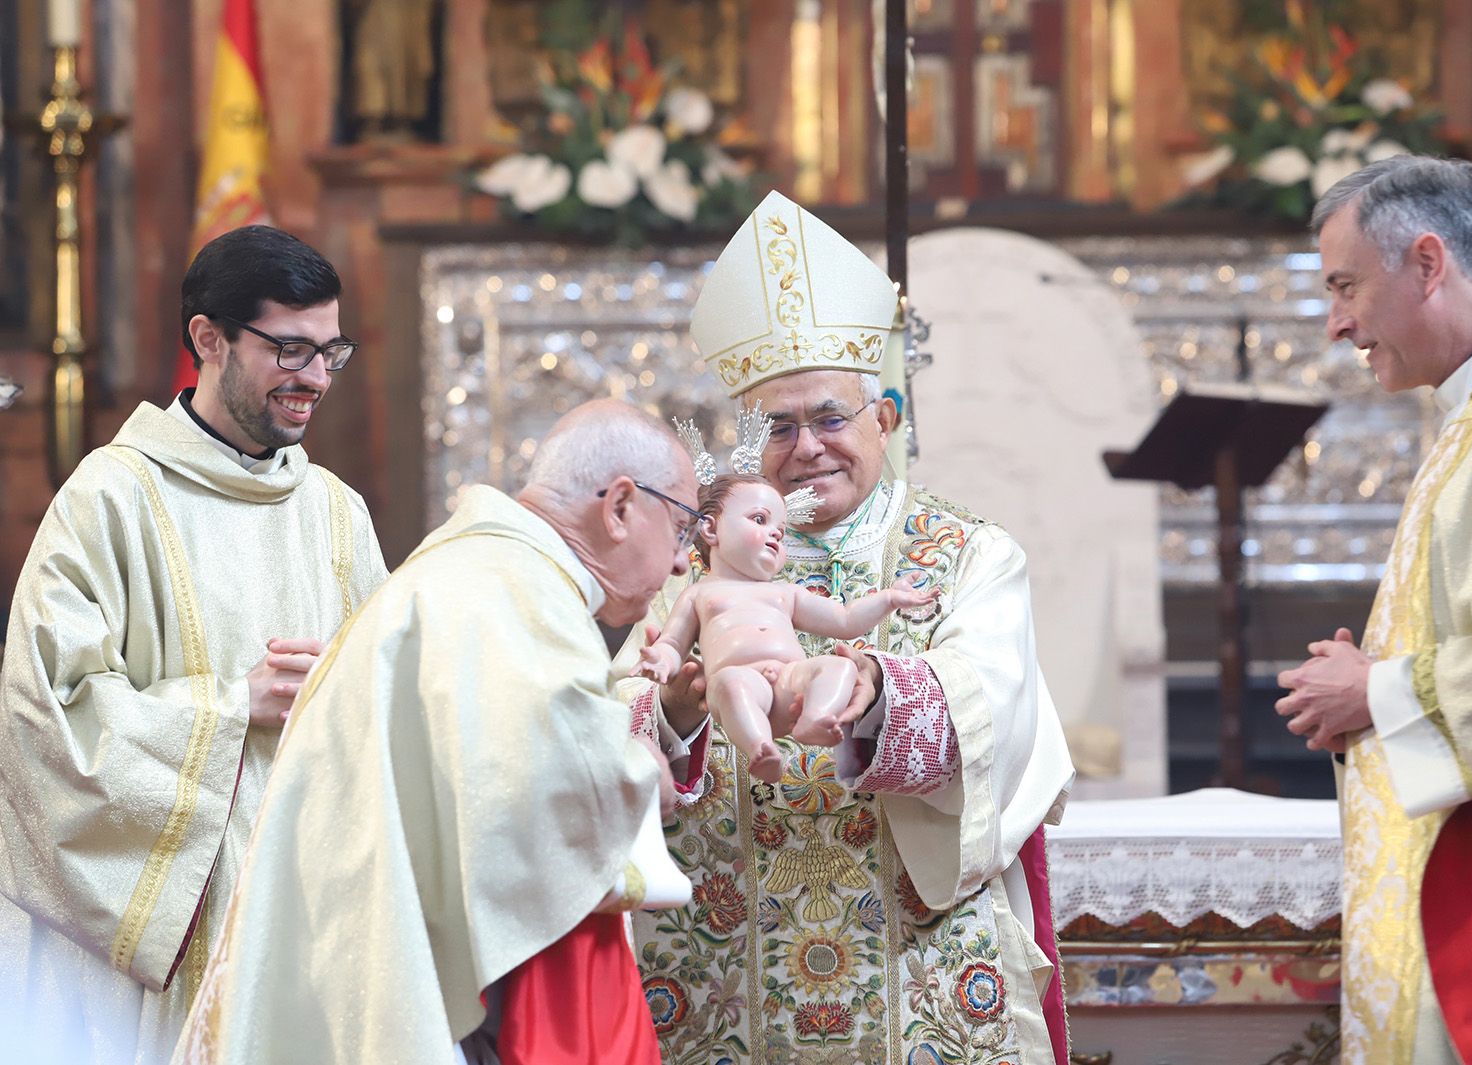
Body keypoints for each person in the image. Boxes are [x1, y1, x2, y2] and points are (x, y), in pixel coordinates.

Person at [618, 191, 1077, 1064]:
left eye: (831, 417)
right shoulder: (680, 571)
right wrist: (675, 715)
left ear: (887, 419)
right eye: (779, 427)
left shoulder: (969, 555)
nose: (808, 446)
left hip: (923, 966)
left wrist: (870, 694)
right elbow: (607, 730)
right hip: (725, 973)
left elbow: (993, 716)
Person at [171, 399, 699, 1065]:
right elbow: (559, 784)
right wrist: (644, 768)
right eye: (682, 528)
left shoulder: (474, 571)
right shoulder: (518, 592)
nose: (682, 563)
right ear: (621, 506)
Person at [0, 224, 388, 1064]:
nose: (316, 378)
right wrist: (229, 704)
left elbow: (393, 698)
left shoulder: (334, 510)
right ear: (208, 339)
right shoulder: (110, 498)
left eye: (331, 351)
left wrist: (353, 687)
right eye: (290, 350)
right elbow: (45, 716)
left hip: (303, 913)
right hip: (164, 946)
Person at [1275, 156, 1472, 1064]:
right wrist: (1367, 688)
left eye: (1345, 286)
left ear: (1426, 263)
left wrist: (1376, 690)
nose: (1336, 322)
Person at [633, 470, 936, 782]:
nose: (776, 534)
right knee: (728, 685)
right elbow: (672, 642)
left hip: (791, 683)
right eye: (760, 519)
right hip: (745, 683)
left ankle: (816, 717)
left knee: (839, 668)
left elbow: (845, 621)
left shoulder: (785, 593)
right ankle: (760, 748)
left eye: (781, 529)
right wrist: (661, 660)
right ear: (710, 529)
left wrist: (888, 598)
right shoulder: (699, 592)